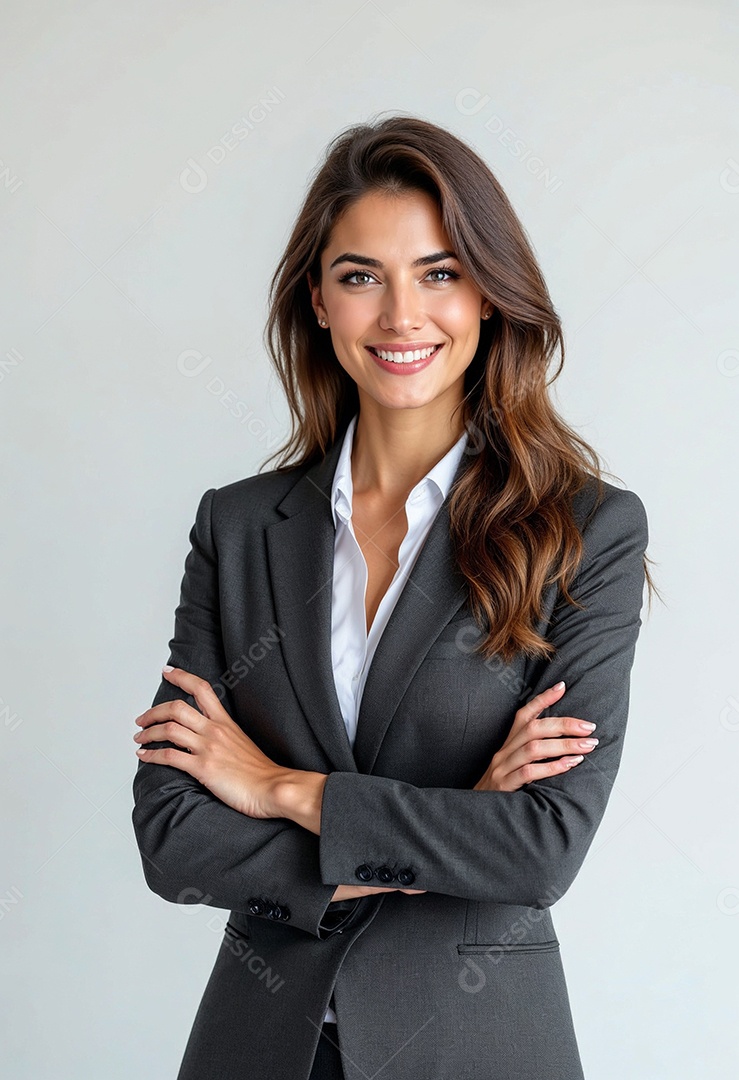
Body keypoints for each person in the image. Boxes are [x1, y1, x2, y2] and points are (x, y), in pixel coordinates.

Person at [131, 114, 658, 1080]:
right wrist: (447, 830)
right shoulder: (239, 528)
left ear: (490, 296)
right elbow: (172, 837)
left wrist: (280, 791)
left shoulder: (584, 530)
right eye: (360, 275)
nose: (401, 315)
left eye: (440, 272)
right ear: (319, 302)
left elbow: (539, 849)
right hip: (258, 1049)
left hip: (476, 1045)